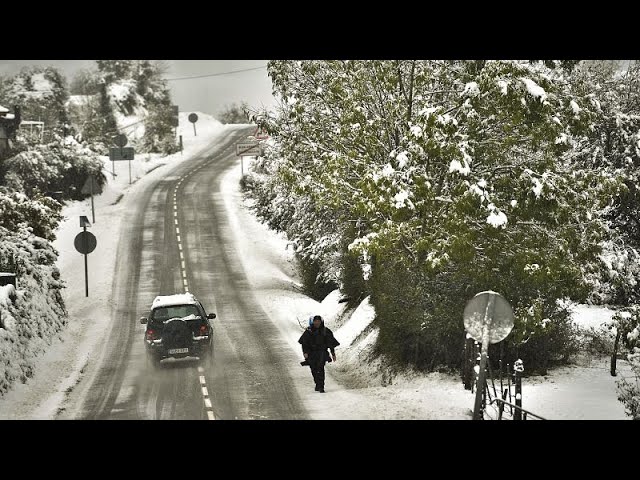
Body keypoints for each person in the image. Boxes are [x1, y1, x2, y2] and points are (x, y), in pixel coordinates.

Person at [298, 315, 340, 393]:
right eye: (315, 321)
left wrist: (333, 353)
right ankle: (317, 383)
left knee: (320, 368)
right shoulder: (308, 331)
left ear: (321, 322)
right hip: (311, 354)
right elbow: (304, 343)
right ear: (312, 322)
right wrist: (305, 352)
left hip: (322, 353)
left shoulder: (325, 331)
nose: (317, 323)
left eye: (318, 321)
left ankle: (321, 386)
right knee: (313, 369)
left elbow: (330, 343)